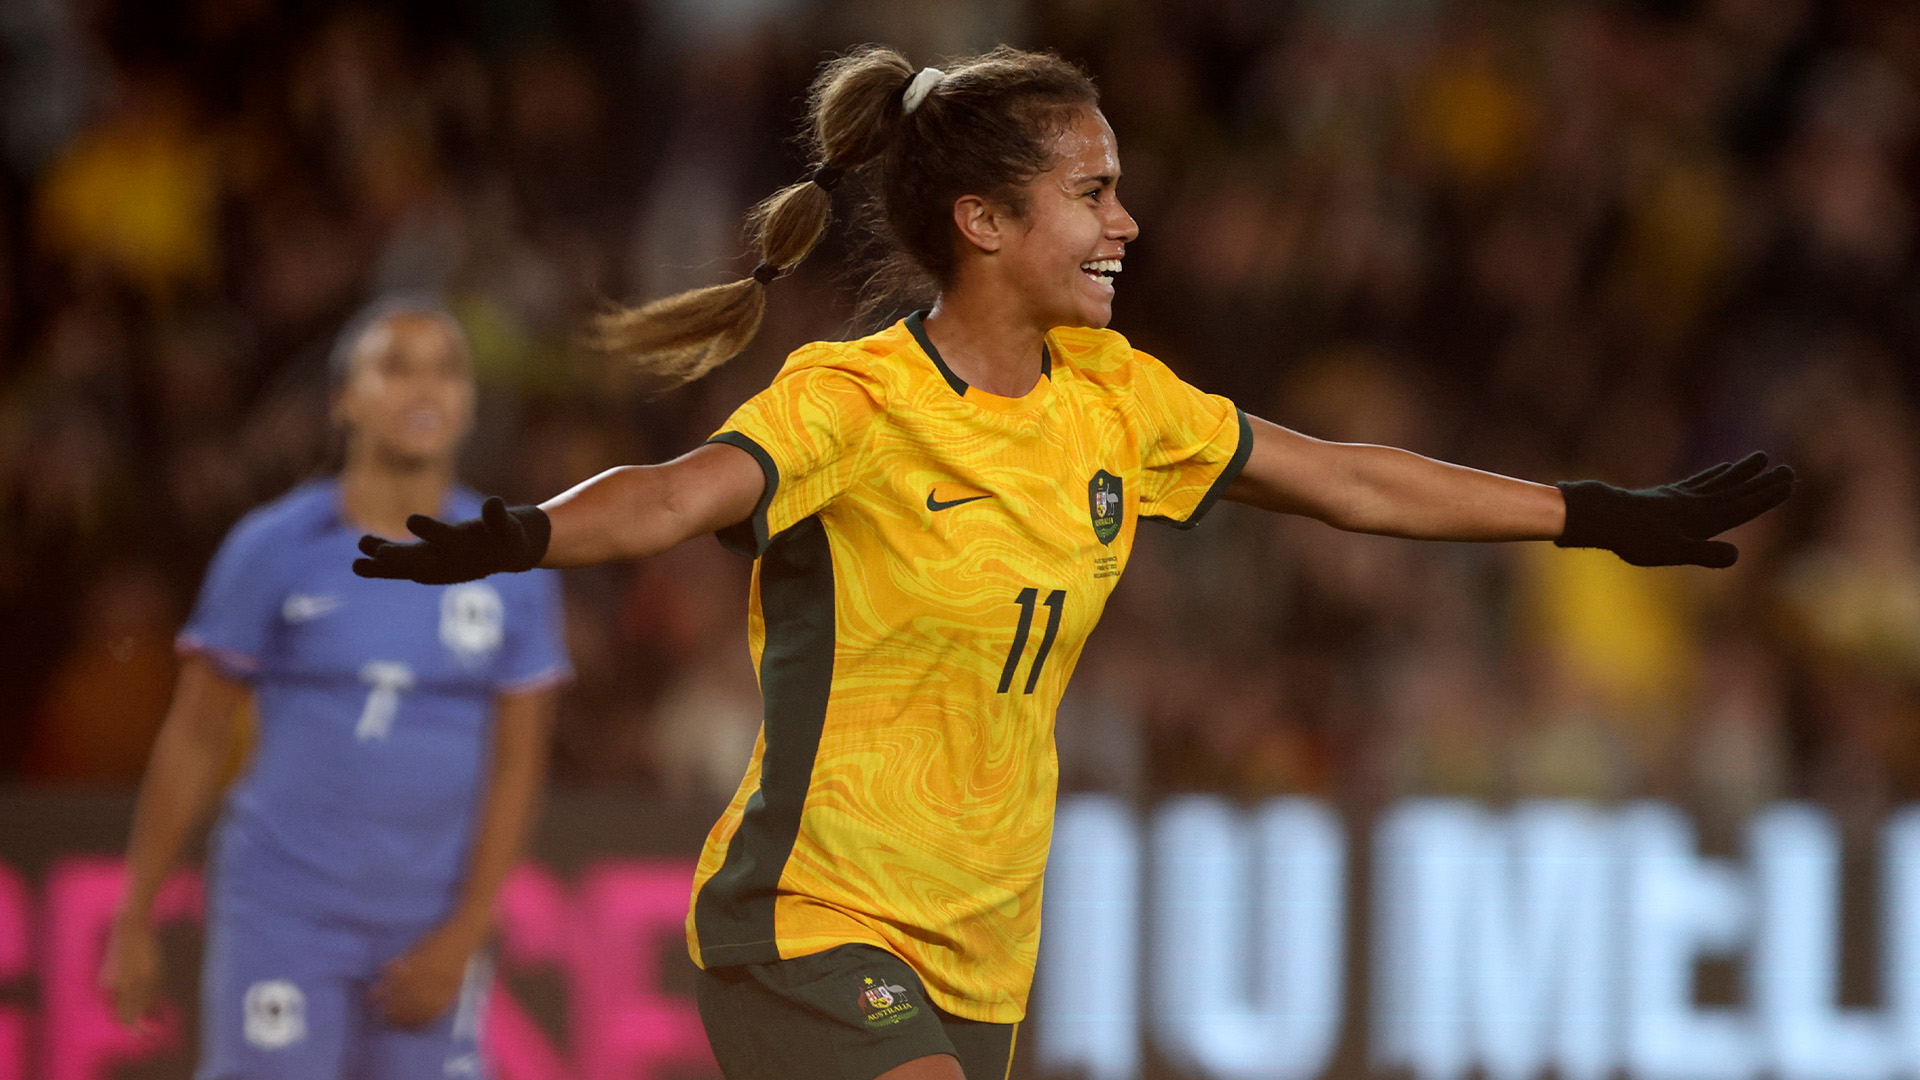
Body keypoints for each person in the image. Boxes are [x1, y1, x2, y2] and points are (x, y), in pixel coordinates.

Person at [353, 46, 1793, 1080]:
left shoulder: (1116, 397)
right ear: (985, 222)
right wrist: (528, 534)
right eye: (1093, 192)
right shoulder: (855, 404)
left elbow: (1351, 478)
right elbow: (676, 496)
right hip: (809, 918)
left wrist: (1594, 512)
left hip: (985, 945)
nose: (1127, 223)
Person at [101, 297, 571, 1079]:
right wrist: (135, 915)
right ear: (343, 399)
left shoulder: (510, 561)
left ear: (468, 402)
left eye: (446, 370)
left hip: (429, 922)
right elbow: (194, 735)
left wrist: (465, 933)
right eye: (394, 367)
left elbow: (519, 764)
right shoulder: (271, 548)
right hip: (285, 913)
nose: (424, 389)